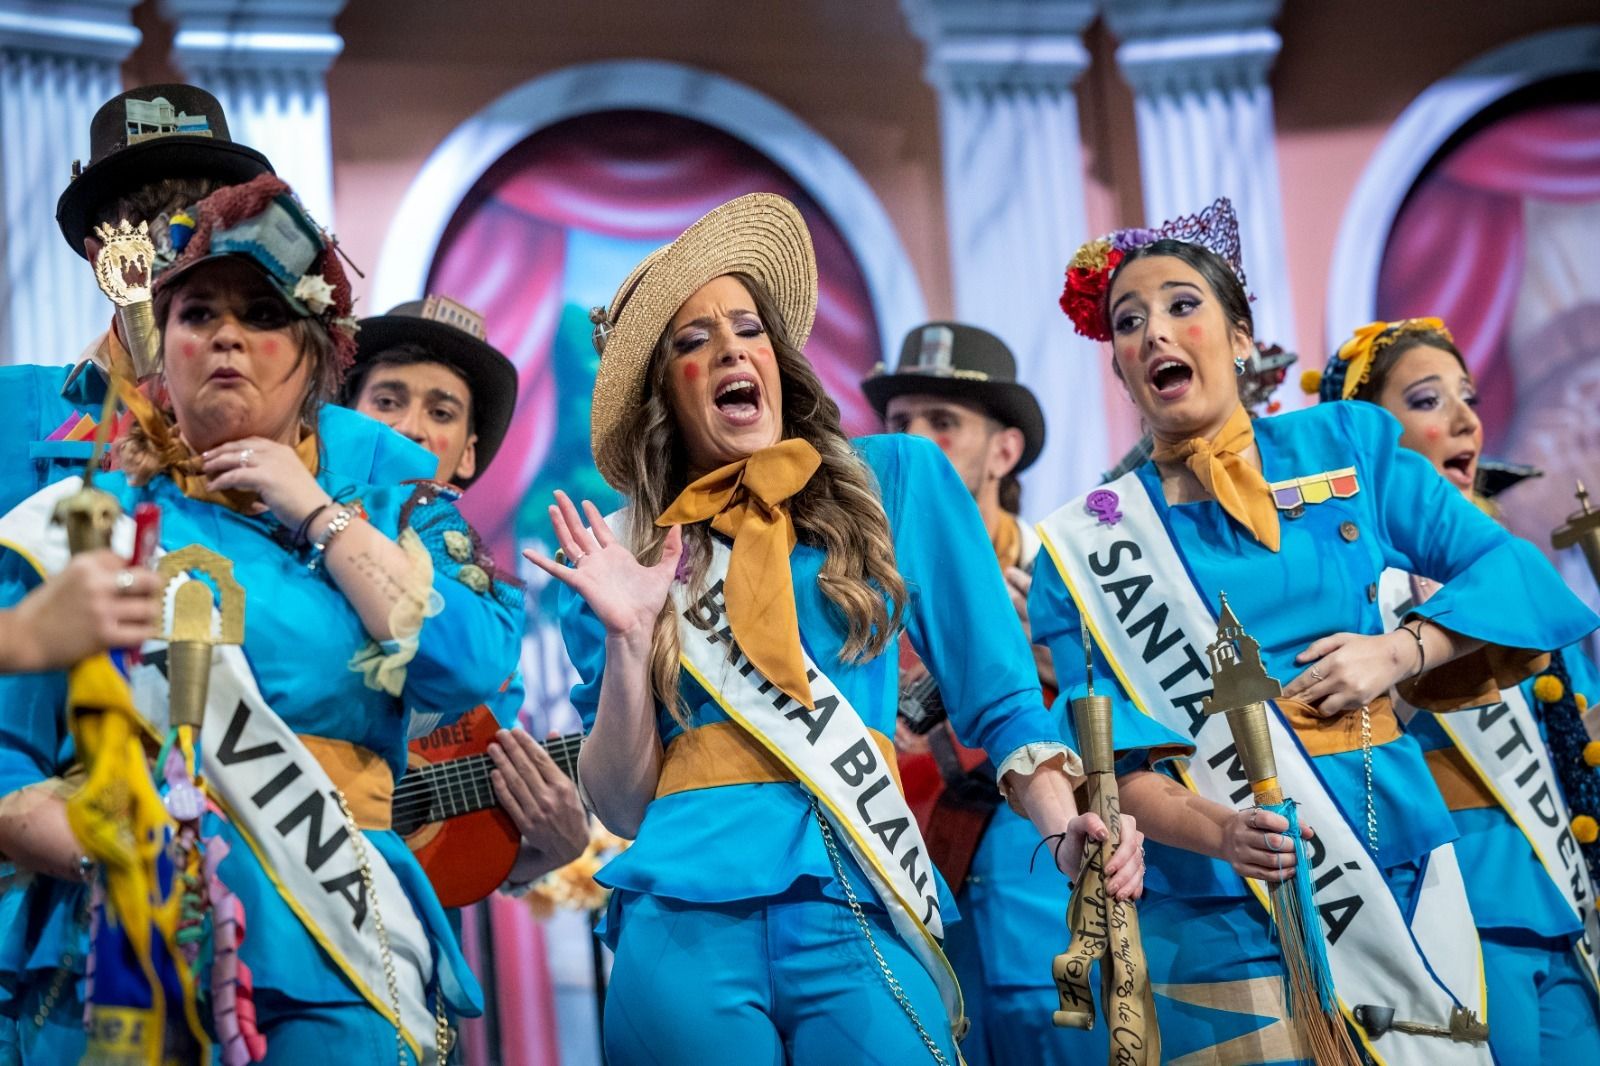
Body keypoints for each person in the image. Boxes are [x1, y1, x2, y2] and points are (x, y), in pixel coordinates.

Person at [528, 192, 1145, 1065]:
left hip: (861, 890)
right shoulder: (618, 554)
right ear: (666, 393)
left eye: (748, 327)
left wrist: (1061, 826)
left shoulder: (898, 479)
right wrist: (630, 640)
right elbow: (624, 804)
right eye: (694, 341)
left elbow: (1002, 699)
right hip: (682, 921)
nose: (734, 347)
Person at [1032, 198, 1597, 1064]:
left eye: (1183, 305)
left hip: (1396, 843)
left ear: (1243, 337)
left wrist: (1400, 651)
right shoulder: (1087, 545)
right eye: (1128, 322)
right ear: (1119, 370)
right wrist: (1219, 833)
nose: (1154, 333)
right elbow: (1120, 772)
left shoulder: (1348, 444)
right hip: (1220, 901)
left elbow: (1514, 574)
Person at [0, 173, 522, 1064]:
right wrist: (109, 849)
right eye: (199, 314)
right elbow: (7, 758)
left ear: (320, 356)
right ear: (162, 351)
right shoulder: (76, 521)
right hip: (114, 945)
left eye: (265, 314)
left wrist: (317, 514)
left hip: (334, 953)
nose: (229, 336)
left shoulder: (393, 504)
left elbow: (466, 664)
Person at [1313, 317, 1600, 1062]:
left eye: (1467, 396)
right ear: (1370, 439)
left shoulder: (1514, 577)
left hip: (1560, 902)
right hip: (1452, 901)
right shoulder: (1353, 581)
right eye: (1428, 399)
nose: (1466, 417)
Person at [863, 322, 1100, 1065]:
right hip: (914, 907)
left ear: (1005, 450)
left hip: (1045, 898)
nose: (917, 444)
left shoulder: (1073, 581)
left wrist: (1070, 654)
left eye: (943, 423)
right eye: (901, 424)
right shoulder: (858, 587)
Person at [344, 296, 587, 889]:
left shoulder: (490, 626)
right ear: (342, 415)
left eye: (442, 411)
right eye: (387, 401)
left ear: (468, 454)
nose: (410, 428)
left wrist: (547, 851)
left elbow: (454, 851)